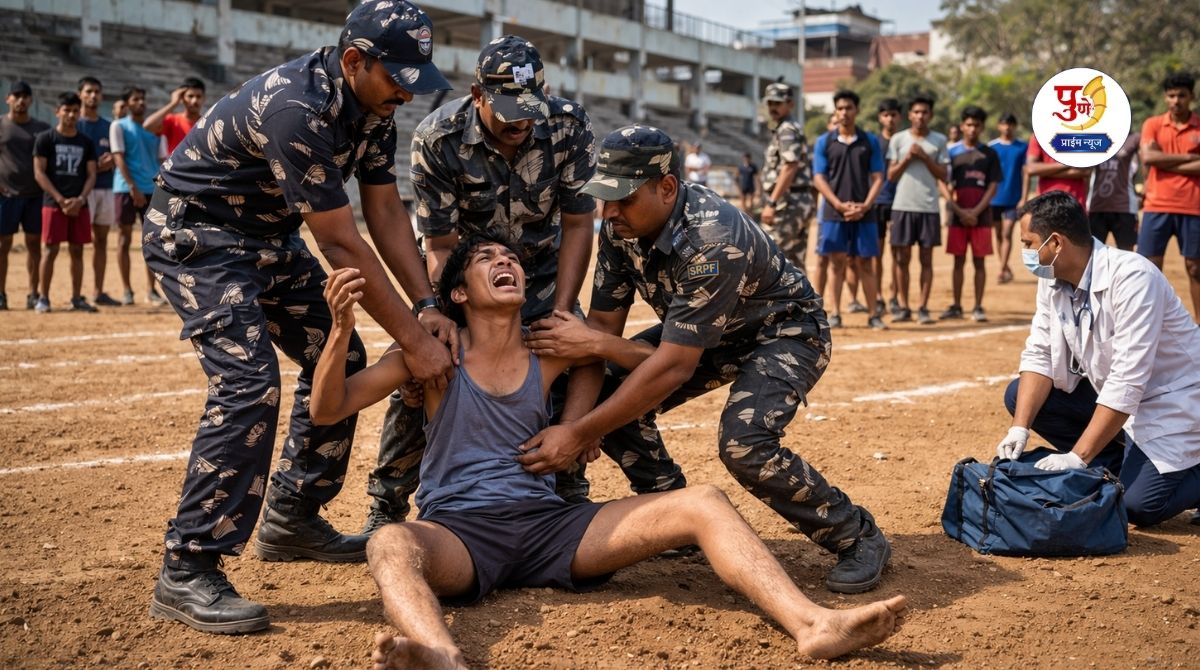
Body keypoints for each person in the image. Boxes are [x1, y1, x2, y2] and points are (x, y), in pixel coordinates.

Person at [309, 234, 907, 667]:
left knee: (701, 501)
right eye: (487, 259)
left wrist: (594, 355)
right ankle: (440, 656)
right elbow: (327, 408)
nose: (506, 262)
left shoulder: (549, 349)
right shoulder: (434, 355)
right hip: (462, 534)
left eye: (512, 257)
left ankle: (813, 625)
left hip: (553, 527)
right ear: (459, 294)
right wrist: (340, 335)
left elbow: (658, 367)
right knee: (390, 540)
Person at [143, 0, 458, 635]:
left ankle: (292, 515)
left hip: (269, 238)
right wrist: (415, 344)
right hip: (199, 238)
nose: (406, 91)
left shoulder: (374, 107)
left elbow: (387, 215)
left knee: (337, 358)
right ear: (353, 61)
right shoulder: (298, 108)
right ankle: (189, 565)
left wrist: (426, 307)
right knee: (247, 384)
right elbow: (341, 243)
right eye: (397, 76)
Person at [518, 126, 894, 595]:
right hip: (702, 335)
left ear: (667, 187)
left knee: (745, 443)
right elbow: (598, 336)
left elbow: (673, 367)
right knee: (607, 392)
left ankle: (857, 535)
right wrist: (577, 421)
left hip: (783, 332)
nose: (608, 212)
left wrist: (580, 433)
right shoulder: (621, 229)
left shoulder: (710, 238)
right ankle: (670, 510)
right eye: (603, 198)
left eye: (622, 198)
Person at [365, 34, 598, 532]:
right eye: (509, 109)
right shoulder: (439, 138)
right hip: (471, 276)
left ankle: (572, 486)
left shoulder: (568, 125)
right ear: (477, 95)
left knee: (583, 356)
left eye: (530, 107)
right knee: (427, 364)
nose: (522, 122)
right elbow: (442, 245)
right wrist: (435, 309)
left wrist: (561, 308)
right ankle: (386, 505)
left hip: (542, 272)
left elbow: (579, 224)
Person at [996, 191, 1200, 528]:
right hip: (1122, 400)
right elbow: (1040, 353)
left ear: (1056, 242)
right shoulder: (1052, 278)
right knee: (1021, 396)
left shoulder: (1134, 278)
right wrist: (1019, 429)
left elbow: (1128, 379)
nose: (1026, 253)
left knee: (1139, 506)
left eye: (1029, 243)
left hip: (1172, 403)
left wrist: (1078, 456)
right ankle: (1119, 464)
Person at [811, 89, 887, 330]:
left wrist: (865, 205)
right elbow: (819, 178)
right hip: (834, 212)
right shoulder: (824, 141)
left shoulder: (870, 140)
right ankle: (835, 312)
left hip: (864, 213)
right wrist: (837, 204)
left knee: (866, 263)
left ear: (857, 110)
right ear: (835, 111)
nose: (844, 112)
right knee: (836, 263)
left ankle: (874, 314)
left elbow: (878, 177)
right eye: (840, 108)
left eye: (849, 108)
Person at [1139, 72, 1200, 320]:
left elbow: (1157, 159)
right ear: (1166, 98)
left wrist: (1164, 161)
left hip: (1194, 206)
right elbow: (1149, 158)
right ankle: (1148, 324)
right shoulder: (1152, 124)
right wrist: (1190, 158)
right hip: (1157, 205)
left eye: (1182, 96)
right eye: (1171, 95)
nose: (1176, 101)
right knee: (1148, 269)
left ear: (1191, 97)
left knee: (1195, 269)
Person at [31, 92, 98, 313]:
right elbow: (39, 173)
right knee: (50, 250)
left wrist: (80, 199)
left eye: (75, 111)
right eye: (66, 110)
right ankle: (43, 298)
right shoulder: (45, 139)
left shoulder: (86, 142)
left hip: (80, 205)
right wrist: (61, 200)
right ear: (57, 111)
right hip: (53, 203)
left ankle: (77, 298)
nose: (71, 115)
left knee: (77, 251)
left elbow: (91, 174)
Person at [886, 95, 948, 325]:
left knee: (926, 259)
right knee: (901, 259)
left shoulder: (939, 140)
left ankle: (922, 307)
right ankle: (903, 306)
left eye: (924, 112)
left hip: (928, 207)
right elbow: (890, 176)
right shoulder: (898, 139)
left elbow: (944, 174)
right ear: (910, 115)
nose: (920, 116)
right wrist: (907, 159)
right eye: (916, 112)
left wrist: (924, 157)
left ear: (930, 115)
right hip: (902, 205)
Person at [938, 106, 1001, 323]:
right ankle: (956, 304)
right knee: (958, 261)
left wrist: (975, 211)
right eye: (968, 124)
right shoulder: (951, 153)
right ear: (962, 126)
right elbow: (943, 183)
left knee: (979, 262)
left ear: (982, 127)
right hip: (958, 215)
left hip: (981, 216)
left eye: (976, 125)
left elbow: (992, 186)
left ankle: (977, 306)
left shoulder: (990, 153)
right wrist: (957, 209)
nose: (972, 128)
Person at [109, 86, 165, 305]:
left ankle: (151, 290)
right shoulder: (118, 126)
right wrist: (133, 187)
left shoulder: (155, 129)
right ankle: (127, 290)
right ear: (127, 103)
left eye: (142, 99)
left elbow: (161, 160)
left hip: (152, 190)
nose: (141, 102)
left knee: (152, 242)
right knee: (123, 239)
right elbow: (118, 158)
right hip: (125, 189)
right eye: (136, 99)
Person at [0, 81, 50, 311]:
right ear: (8, 98)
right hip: (6, 195)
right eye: (16, 95)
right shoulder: (1, 124)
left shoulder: (41, 128)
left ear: (31, 100)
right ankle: (1, 294)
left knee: (34, 245)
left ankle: (33, 292)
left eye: (25, 96)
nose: (21, 100)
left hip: (34, 195)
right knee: (3, 245)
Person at [760, 81, 815, 273]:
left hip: (788, 202)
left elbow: (789, 167)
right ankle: (803, 303)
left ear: (790, 104)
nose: (773, 108)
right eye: (770, 103)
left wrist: (772, 203)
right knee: (794, 261)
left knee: (769, 256)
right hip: (797, 201)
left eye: (778, 103)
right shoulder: (788, 127)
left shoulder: (787, 130)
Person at [76, 76, 121, 306]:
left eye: (96, 92)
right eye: (88, 91)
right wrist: (92, 164)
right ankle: (76, 294)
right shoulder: (74, 125)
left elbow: (118, 154)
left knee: (101, 241)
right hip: (81, 191)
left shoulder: (108, 126)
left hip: (105, 189)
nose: (93, 96)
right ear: (80, 95)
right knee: (78, 244)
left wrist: (112, 160)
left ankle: (98, 291)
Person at [988, 113, 1027, 284]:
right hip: (995, 198)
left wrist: (1024, 197)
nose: (1007, 127)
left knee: (1007, 232)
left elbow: (1027, 173)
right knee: (998, 234)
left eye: (1011, 124)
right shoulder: (991, 147)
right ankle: (1005, 266)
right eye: (1004, 124)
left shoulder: (1022, 147)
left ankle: (1001, 270)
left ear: (1015, 126)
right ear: (999, 126)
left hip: (1014, 198)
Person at [1087, 132, 1140, 251]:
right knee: (1092, 252)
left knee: (1127, 254)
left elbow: (1141, 165)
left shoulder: (1134, 138)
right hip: (1097, 206)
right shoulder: (1095, 137)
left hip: (1124, 207)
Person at [1024, 135, 1090, 210]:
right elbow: (1031, 169)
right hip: (1045, 203)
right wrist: (1067, 164)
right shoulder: (1038, 136)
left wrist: (1044, 172)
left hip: (1075, 204)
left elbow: (1085, 171)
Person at [144, 76, 206, 154]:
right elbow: (148, 126)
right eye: (190, 96)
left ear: (204, 98)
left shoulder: (207, 123)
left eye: (198, 96)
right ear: (182, 98)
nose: (194, 100)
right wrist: (173, 103)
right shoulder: (173, 120)